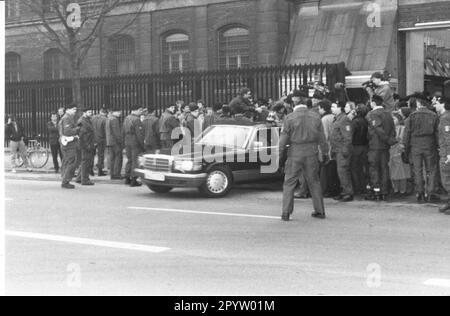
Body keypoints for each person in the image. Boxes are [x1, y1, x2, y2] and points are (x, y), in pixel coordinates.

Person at [279, 88, 329, 221]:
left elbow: (283, 141)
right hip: (311, 152)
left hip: (295, 152)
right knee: (314, 182)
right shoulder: (316, 117)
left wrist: (279, 156)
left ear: (294, 102)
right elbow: (322, 139)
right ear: (306, 101)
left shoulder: (289, 118)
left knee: (289, 182)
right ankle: (320, 210)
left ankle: (286, 212)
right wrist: (325, 153)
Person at [402, 94, 440, 203]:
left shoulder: (412, 116)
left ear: (418, 103)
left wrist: (406, 148)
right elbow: (437, 133)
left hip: (415, 145)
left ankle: (420, 193)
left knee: (417, 170)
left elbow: (406, 135)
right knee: (431, 169)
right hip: (430, 144)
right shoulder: (433, 115)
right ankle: (431, 192)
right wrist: (438, 146)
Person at [366, 95, 396, 201]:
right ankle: (384, 191)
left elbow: (378, 129)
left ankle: (376, 191)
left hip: (375, 146)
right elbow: (393, 129)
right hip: (385, 147)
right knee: (384, 168)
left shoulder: (373, 114)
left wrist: (386, 139)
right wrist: (390, 141)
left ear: (373, 103)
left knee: (374, 168)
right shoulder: (388, 114)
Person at [330, 102, 354, 202]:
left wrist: (345, 150)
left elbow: (347, 137)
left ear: (340, 108)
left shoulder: (344, 119)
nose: (331, 108)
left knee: (343, 171)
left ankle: (348, 193)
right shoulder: (337, 119)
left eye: (333, 107)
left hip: (342, 150)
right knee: (340, 172)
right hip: (337, 150)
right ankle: (344, 191)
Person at [318, 100, 340, 197]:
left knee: (326, 171)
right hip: (336, 147)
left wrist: (323, 150)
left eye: (319, 108)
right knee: (334, 170)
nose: (318, 110)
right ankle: (335, 189)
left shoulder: (324, 119)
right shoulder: (334, 117)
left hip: (328, 148)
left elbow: (324, 136)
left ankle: (326, 190)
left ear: (323, 109)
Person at [59, 103, 81, 189]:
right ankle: (65, 181)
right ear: (68, 109)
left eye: (75, 109)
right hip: (69, 144)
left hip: (67, 143)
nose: (75, 111)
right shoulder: (67, 118)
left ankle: (65, 179)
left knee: (69, 161)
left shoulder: (66, 118)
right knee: (71, 162)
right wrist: (77, 129)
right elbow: (67, 132)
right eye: (73, 109)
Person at [389, 113, 411, 197]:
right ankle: (395, 189)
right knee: (393, 172)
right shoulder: (390, 128)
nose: (392, 121)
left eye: (394, 119)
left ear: (399, 119)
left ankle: (402, 190)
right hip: (391, 152)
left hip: (400, 152)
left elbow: (404, 140)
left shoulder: (402, 128)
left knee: (402, 173)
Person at [350, 104, 370, 195]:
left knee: (354, 168)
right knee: (364, 168)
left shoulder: (354, 122)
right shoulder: (366, 121)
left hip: (355, 147)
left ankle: (357, 188)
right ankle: (364, 187)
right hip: (365, 147)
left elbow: (351, 135)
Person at [123, 105, 145, 187]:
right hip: (134, 141)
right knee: (135, 160)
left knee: (129, 160)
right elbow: (139, 134)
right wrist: (142, 144)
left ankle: (127, 177)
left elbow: (123, 130)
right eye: (140, 110)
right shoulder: (136, 120)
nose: (141, 112)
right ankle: (134, 179)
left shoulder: (126, 118)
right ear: (137, 110)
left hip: (127, 140)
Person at [75, 106, 95, 186]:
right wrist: (87, 145)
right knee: (86, 162)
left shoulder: (87, 120)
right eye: (89, 112)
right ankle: (85, 179)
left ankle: (79, 178)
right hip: (85, 144)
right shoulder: (82, 121)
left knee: (85, 161)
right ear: (84, 113)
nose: (91, 114)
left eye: (91, 112)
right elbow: (83, 135)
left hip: (87, 143)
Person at [437, 98, 450, 214]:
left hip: (446, 153)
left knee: (446, 179)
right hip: (445, 151)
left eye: (436, 103)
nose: (435, 105)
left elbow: (447, 136)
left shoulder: (445, 117)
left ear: (443, 105)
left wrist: (449, 154)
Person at [106, 108, 124, 180]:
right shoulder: (114, 120)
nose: (120, 113)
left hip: (110, 141)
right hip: (115, 142)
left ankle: (112, 174)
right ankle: (116, 174)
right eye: (119, 112)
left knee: (112, 158)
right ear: (114, 112)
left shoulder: (108, 119)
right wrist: (120, 141)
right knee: (118, 158)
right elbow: (116, 132)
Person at [92, 107, 108, 176]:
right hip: (101, 139)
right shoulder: (105, 119)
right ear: (105, 113)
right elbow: (106, 130)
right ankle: (100, 170)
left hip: (93, 138)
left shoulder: (93, 117)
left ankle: (90, 170)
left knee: (92, 155)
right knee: (100, 155)